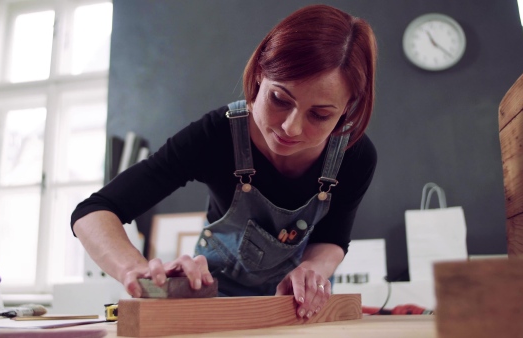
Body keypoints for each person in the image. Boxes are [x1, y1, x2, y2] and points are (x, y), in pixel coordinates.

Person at [71, 4, 377, 320]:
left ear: (347, 108)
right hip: (215, 304)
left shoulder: (354, 156)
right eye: (280, 99)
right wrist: (135, 270)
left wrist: (313, 270)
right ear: (260, 73)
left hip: (297, 307)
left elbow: (332, 239)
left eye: (320, 114)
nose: (291, 127)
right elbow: (93, 212)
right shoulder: (215, 135)